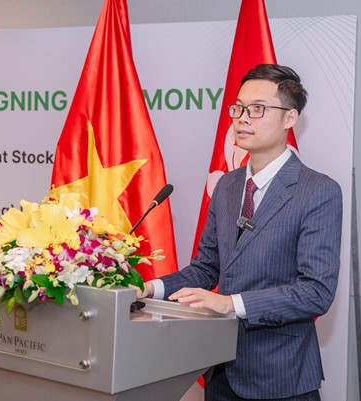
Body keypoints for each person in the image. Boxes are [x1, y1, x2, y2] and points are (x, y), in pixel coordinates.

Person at [138, 64, 343, 401]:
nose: (243, 119)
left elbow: (316, 292)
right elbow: (206, 268)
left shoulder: (317, 190)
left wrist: (230, 303)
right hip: (220, 370)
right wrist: (150, 288)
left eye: (258, 109)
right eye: (239, 108)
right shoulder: (228, 185)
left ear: (290, 118)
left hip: (280, 376)